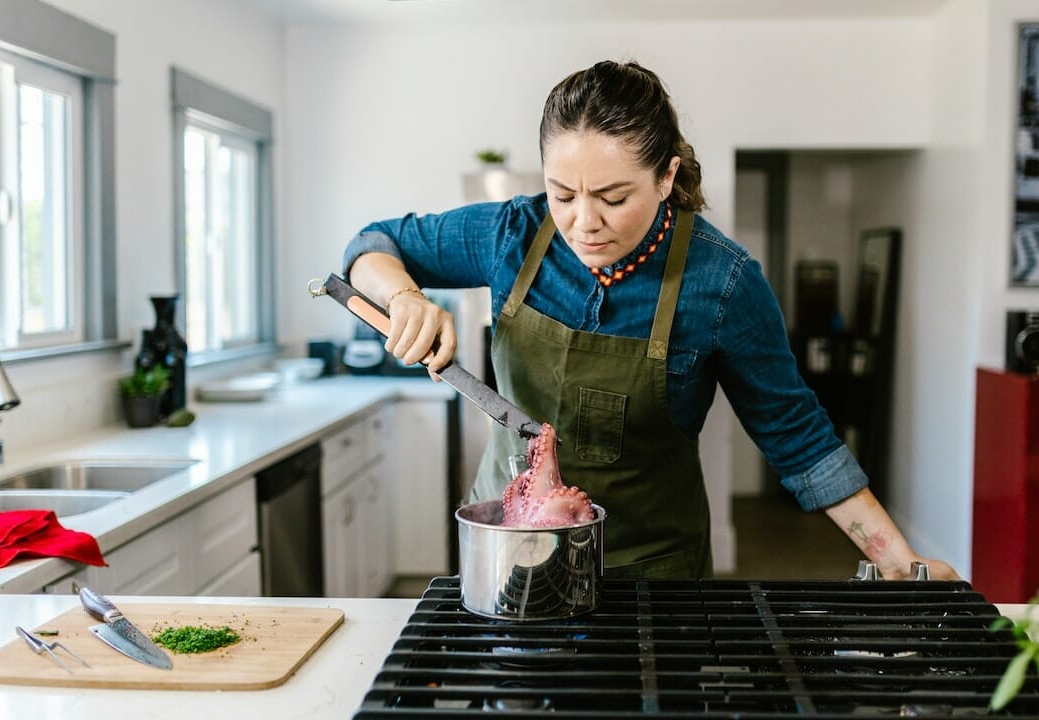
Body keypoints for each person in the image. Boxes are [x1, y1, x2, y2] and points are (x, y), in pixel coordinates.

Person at [343, 59, 959, 581]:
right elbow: (373, 245)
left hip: (651, 571)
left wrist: (900, 561)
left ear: (666, 177)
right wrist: (403, 298)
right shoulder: (512, 233)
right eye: (563, 194)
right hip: (514, 553)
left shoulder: (721, 282)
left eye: (613, 198)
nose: (584, 221)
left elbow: (798, 436)